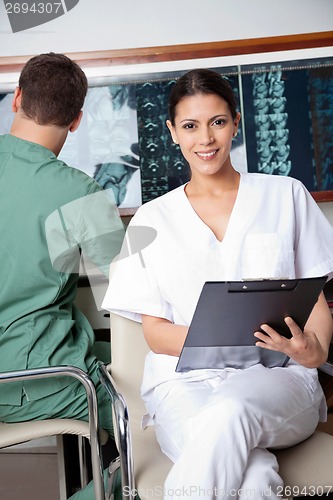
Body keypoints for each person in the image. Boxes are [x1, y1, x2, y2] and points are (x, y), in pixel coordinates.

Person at [102, 68, 333, 499]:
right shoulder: (150, 220)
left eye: (217, 122)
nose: (205, 139)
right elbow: (155, 334)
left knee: (230, 408)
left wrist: (312, 349)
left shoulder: (286, 196)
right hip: (182, 384)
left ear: (236, 123)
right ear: (172, 131)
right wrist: (224, 338)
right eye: (190, 126)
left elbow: (315, 300)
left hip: (277, 377)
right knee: (254, 476)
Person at [0, 53, 125, 499]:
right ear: (76, 120)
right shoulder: (80, 193)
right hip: (34, 382)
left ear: (16, 99)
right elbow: (127, 288)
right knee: (152, 410)